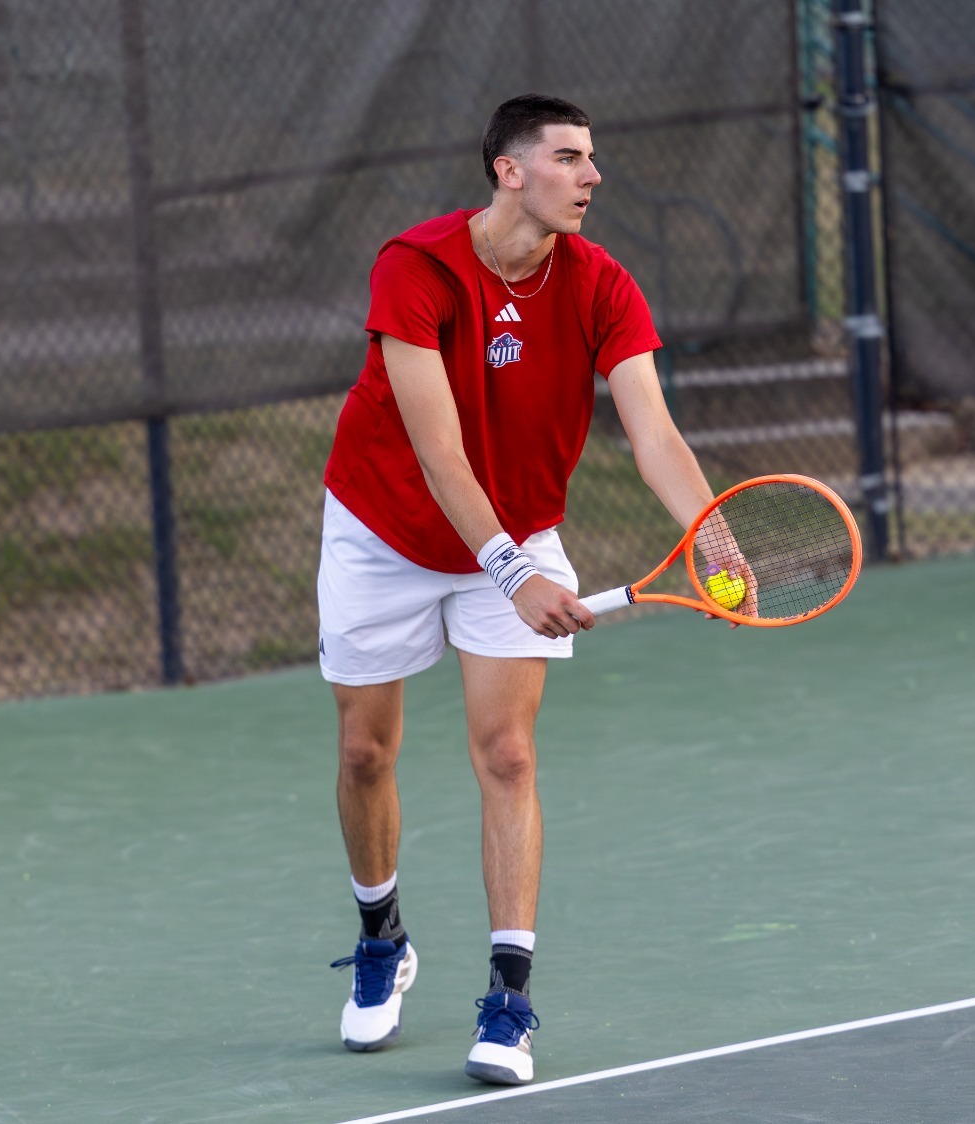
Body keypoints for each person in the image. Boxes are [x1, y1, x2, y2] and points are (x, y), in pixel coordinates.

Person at [317, 93, 726, 1086]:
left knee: (506, 753)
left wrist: (711, 534)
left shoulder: (601, 285)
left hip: (517, 528)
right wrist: (513, 569)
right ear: (509, 170)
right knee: (366, 749)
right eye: (568, 157)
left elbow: (653, 434)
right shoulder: (413, 269)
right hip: (383, 527)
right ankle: (382, 934)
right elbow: (434, 444)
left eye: (592, 159)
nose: (591, 175)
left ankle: (507, 993)